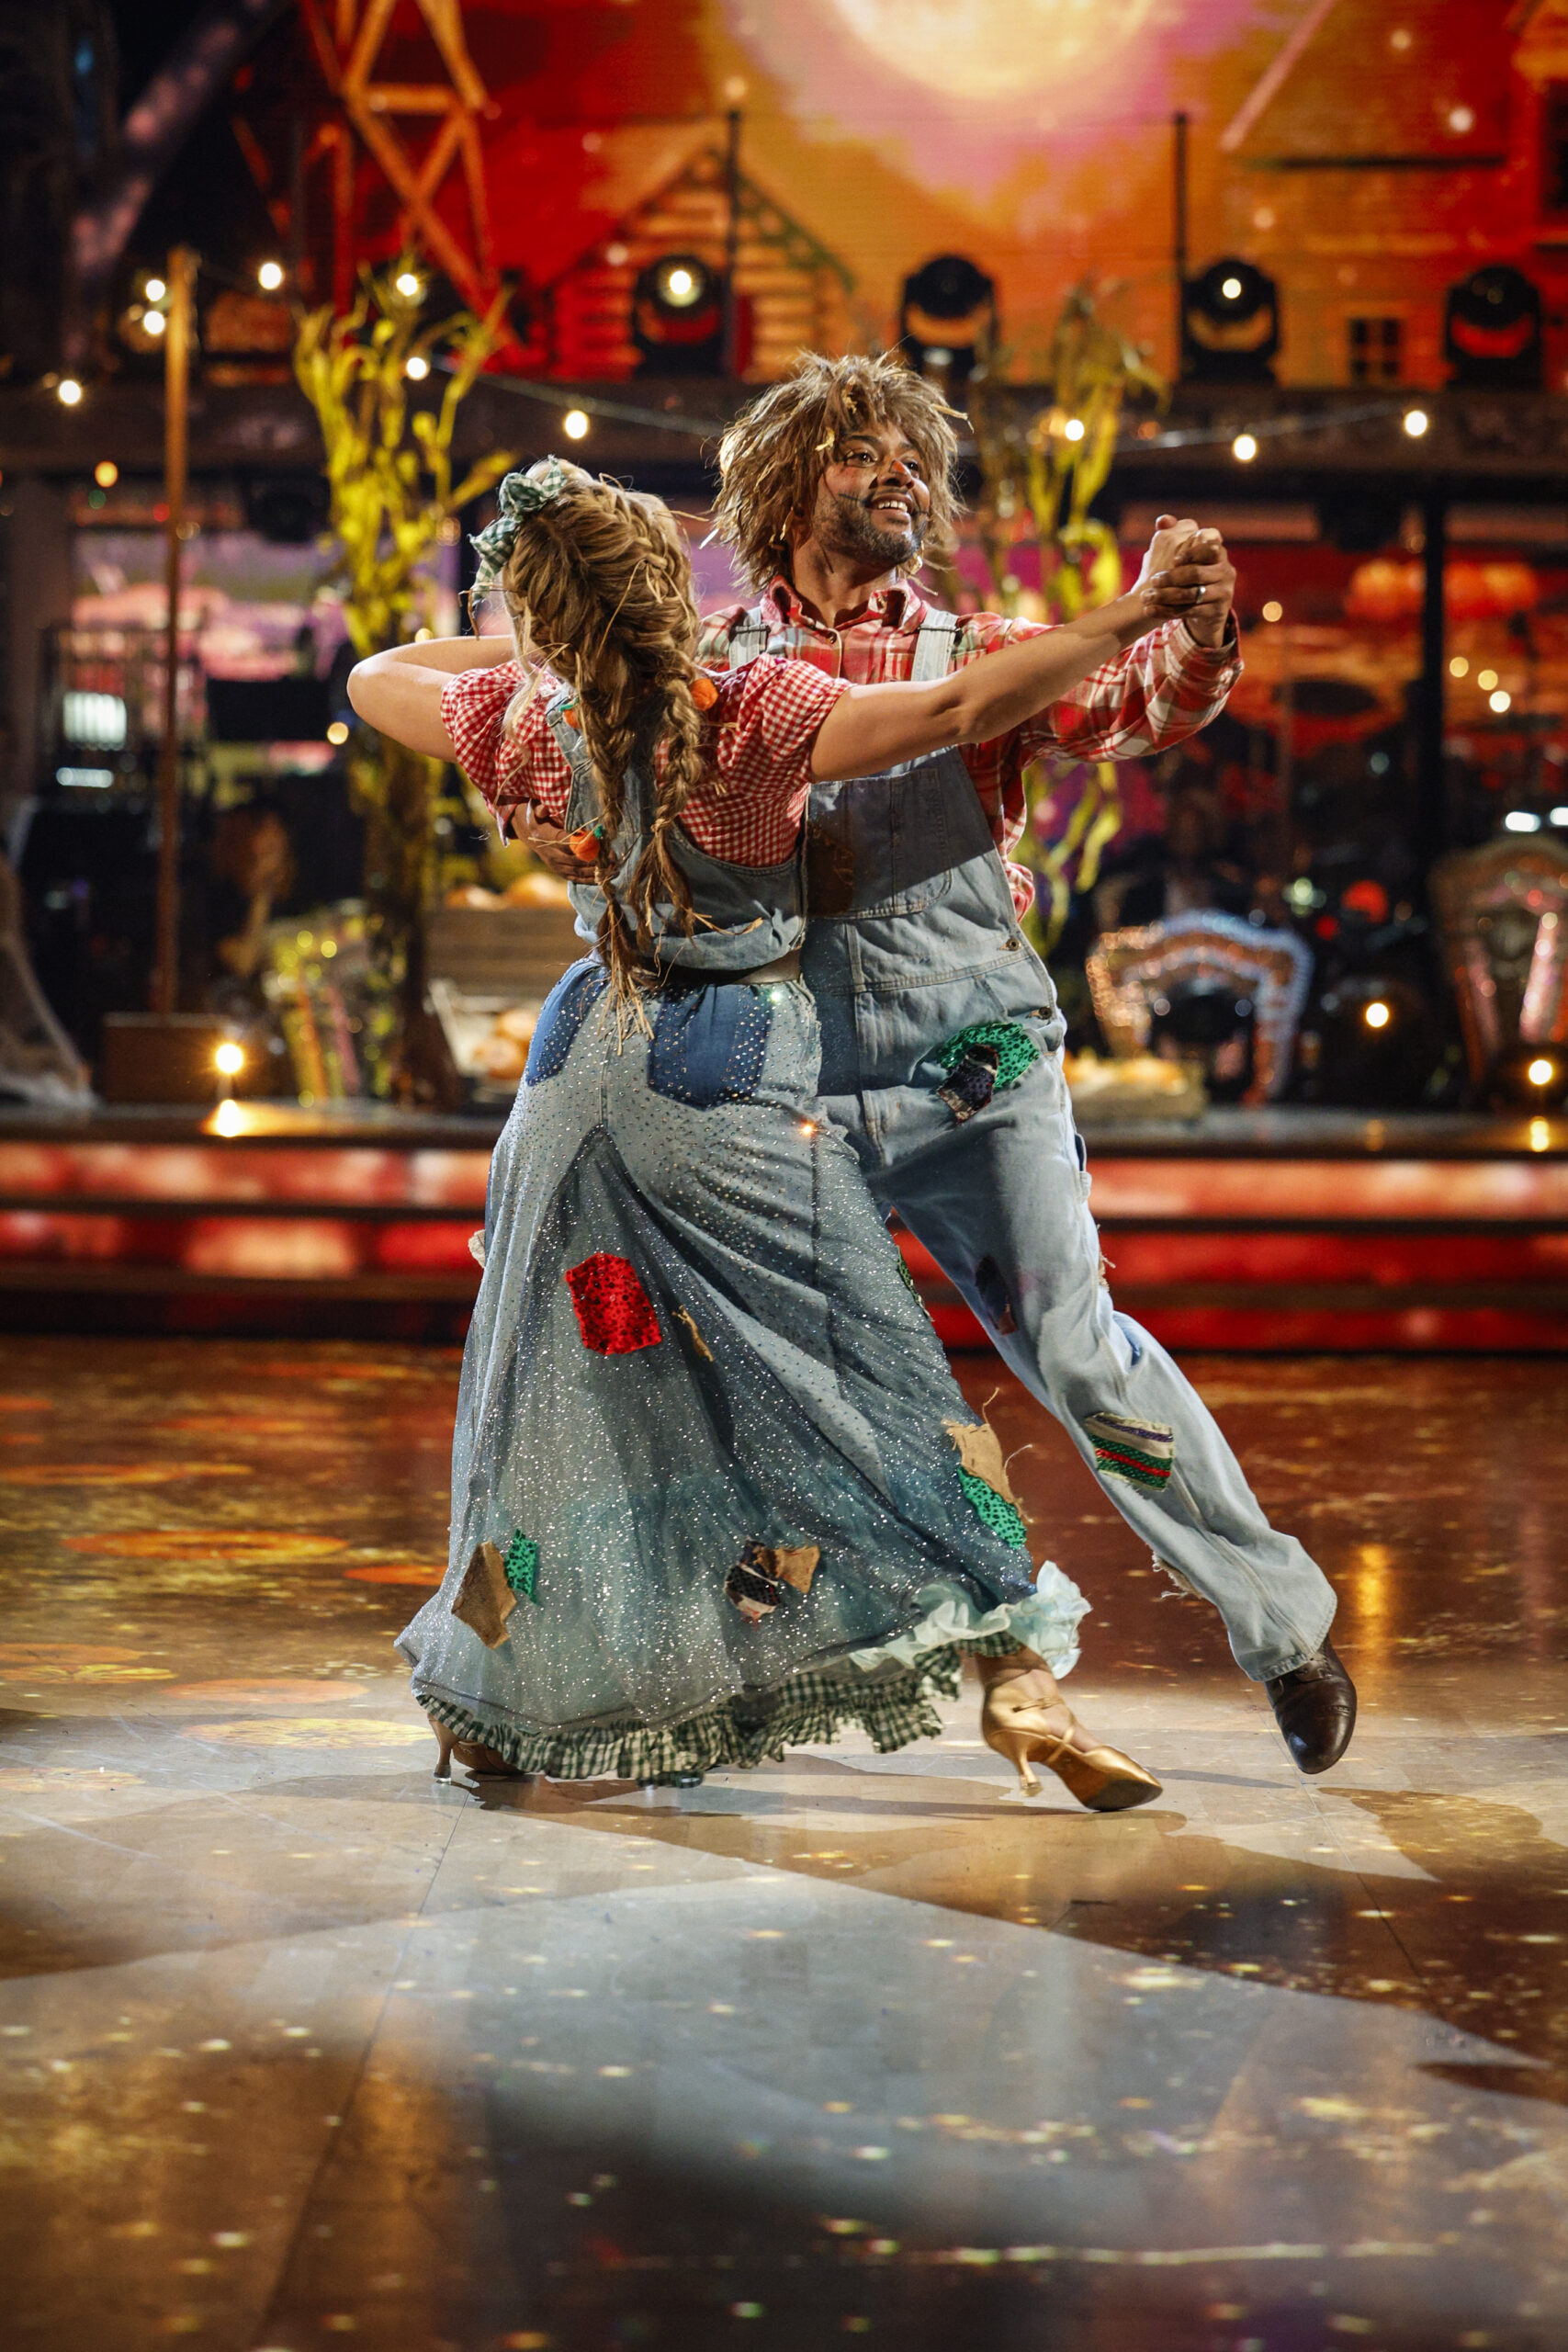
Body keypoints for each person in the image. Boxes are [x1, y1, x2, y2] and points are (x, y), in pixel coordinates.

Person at [522, 357, 1355, 1776]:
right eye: (863, 455)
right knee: (775, 1392)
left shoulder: (985, 647)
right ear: (790, 488)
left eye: (913, 456)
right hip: (777, 1089)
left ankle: (1280, 1627)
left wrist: (1196, 625)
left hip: (975, 1069)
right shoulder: (701, 664)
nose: (900, 473)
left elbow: (1139, 702)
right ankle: (752, 1679)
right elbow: (589, 784)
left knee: (1086, 1360)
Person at [347, 457, 1204, 1804]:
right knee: (871, 1387)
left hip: (577, 1086)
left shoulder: (524, 720)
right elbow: (969, 701)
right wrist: (1130, 614)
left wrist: (554, 648)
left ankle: (497, 1702)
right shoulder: (752, 708)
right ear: (666, 593)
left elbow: (374, 672)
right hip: (727, 1077)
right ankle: (1017, 1679)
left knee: (557, 1395)